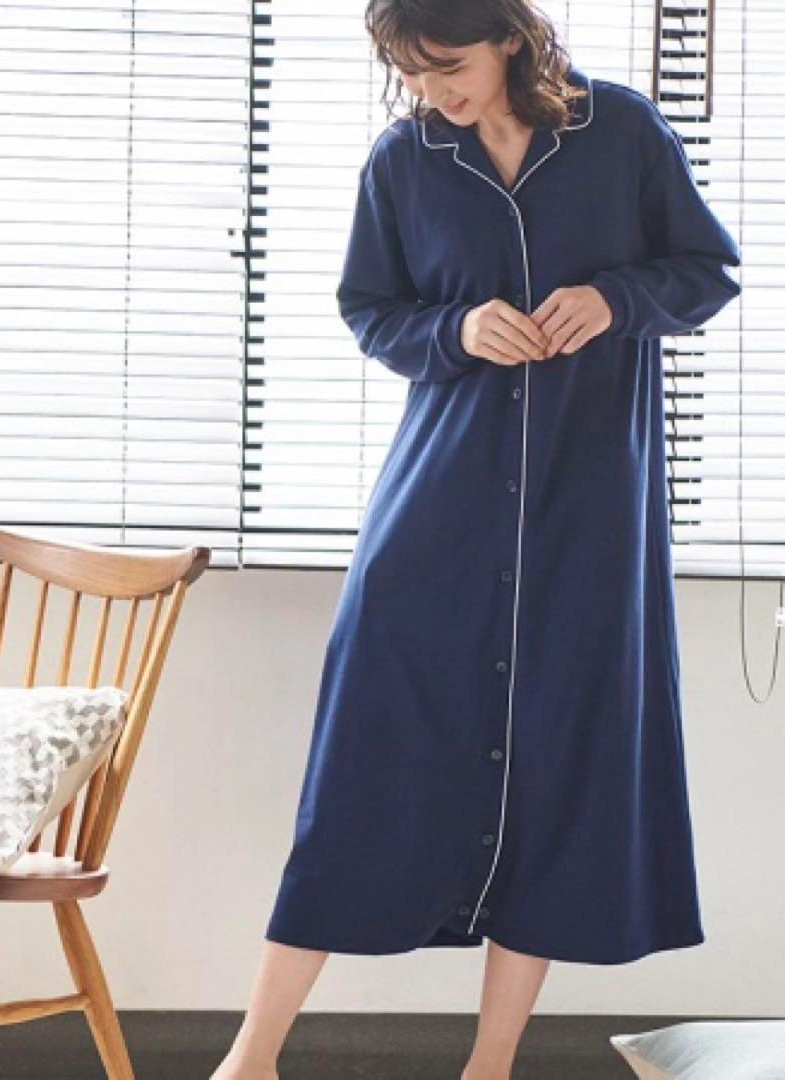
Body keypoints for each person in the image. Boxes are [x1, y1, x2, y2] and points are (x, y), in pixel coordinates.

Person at [212, 0, 742, 1077]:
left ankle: (488, 1066)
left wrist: (616, 299)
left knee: (554, 780)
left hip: (589, 515)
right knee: (364, 773)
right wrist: (454, 328)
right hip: (437, 510)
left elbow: (706, 270)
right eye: (411, 72)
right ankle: (251, 1059)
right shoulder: (404, 161)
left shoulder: (621, 131)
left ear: (508, 35)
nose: (430, 91)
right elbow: (371, 308)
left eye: (445, 64)